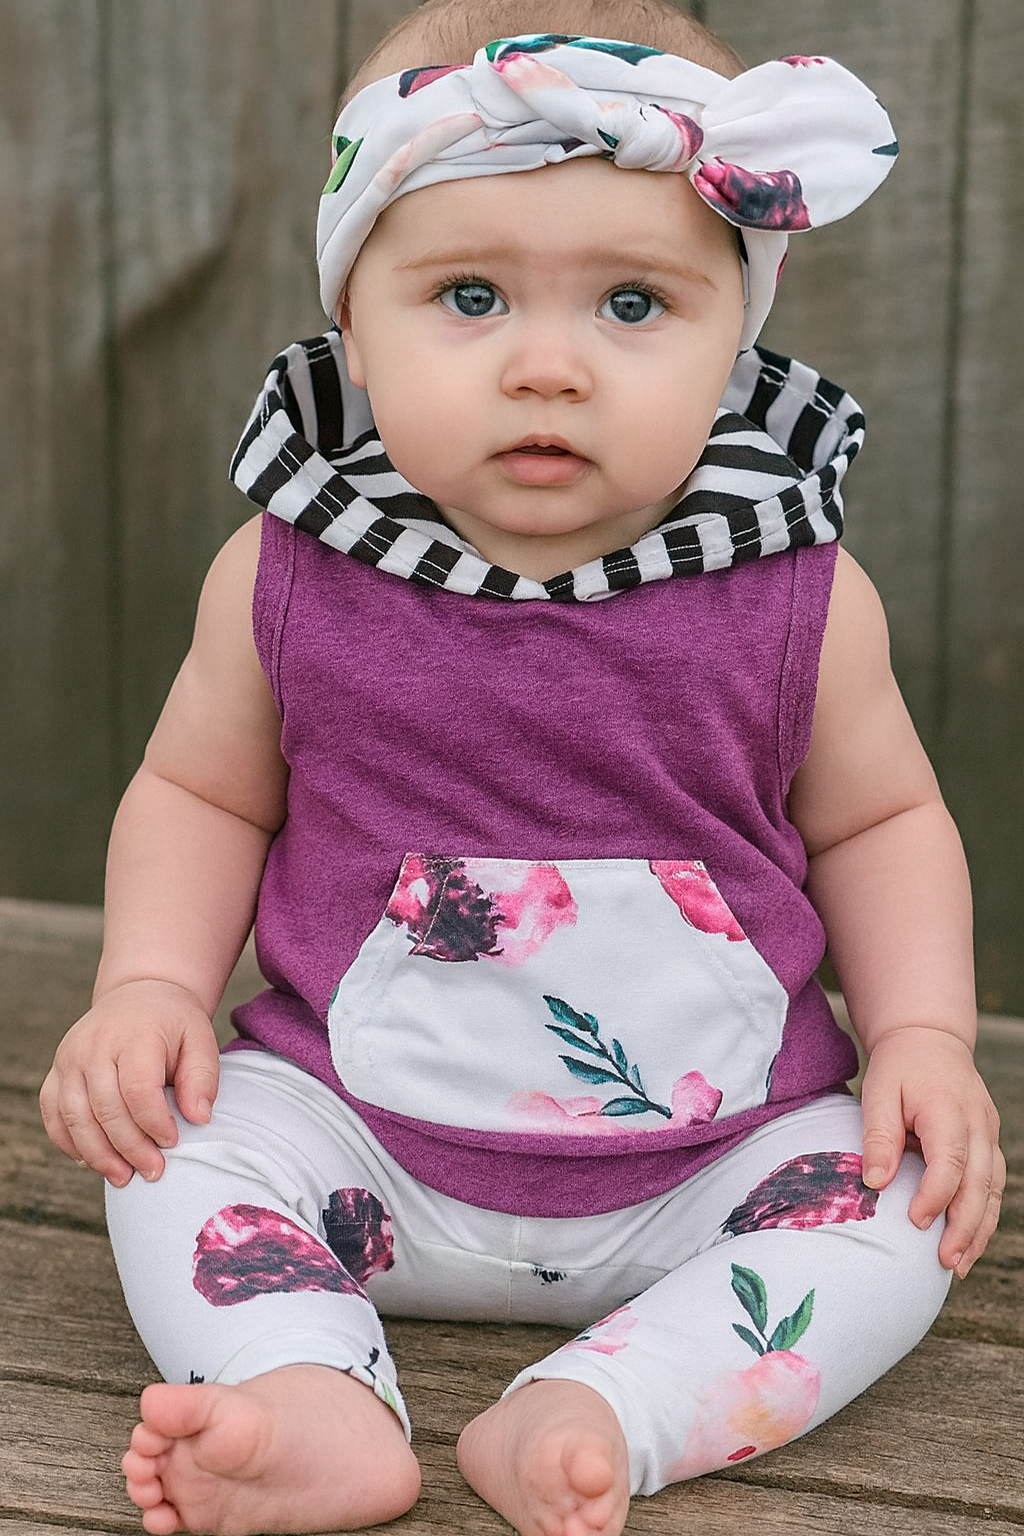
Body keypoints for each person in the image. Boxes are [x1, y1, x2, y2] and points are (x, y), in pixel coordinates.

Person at [40, 2, 1005, 1534]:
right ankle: (307, 1388)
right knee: (168, 1149)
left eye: (633, 303)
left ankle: (616, 1403)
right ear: (357, 330)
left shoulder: (795, 592)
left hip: (718, 1164)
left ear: (735, 337)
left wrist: (923, 1033)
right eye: (472, 296)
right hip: (354, 1140)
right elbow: (202, 794)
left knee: (904, 1207)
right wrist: (151, 985)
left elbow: (882, 820)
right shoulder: (289, 572)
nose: (548, 366)